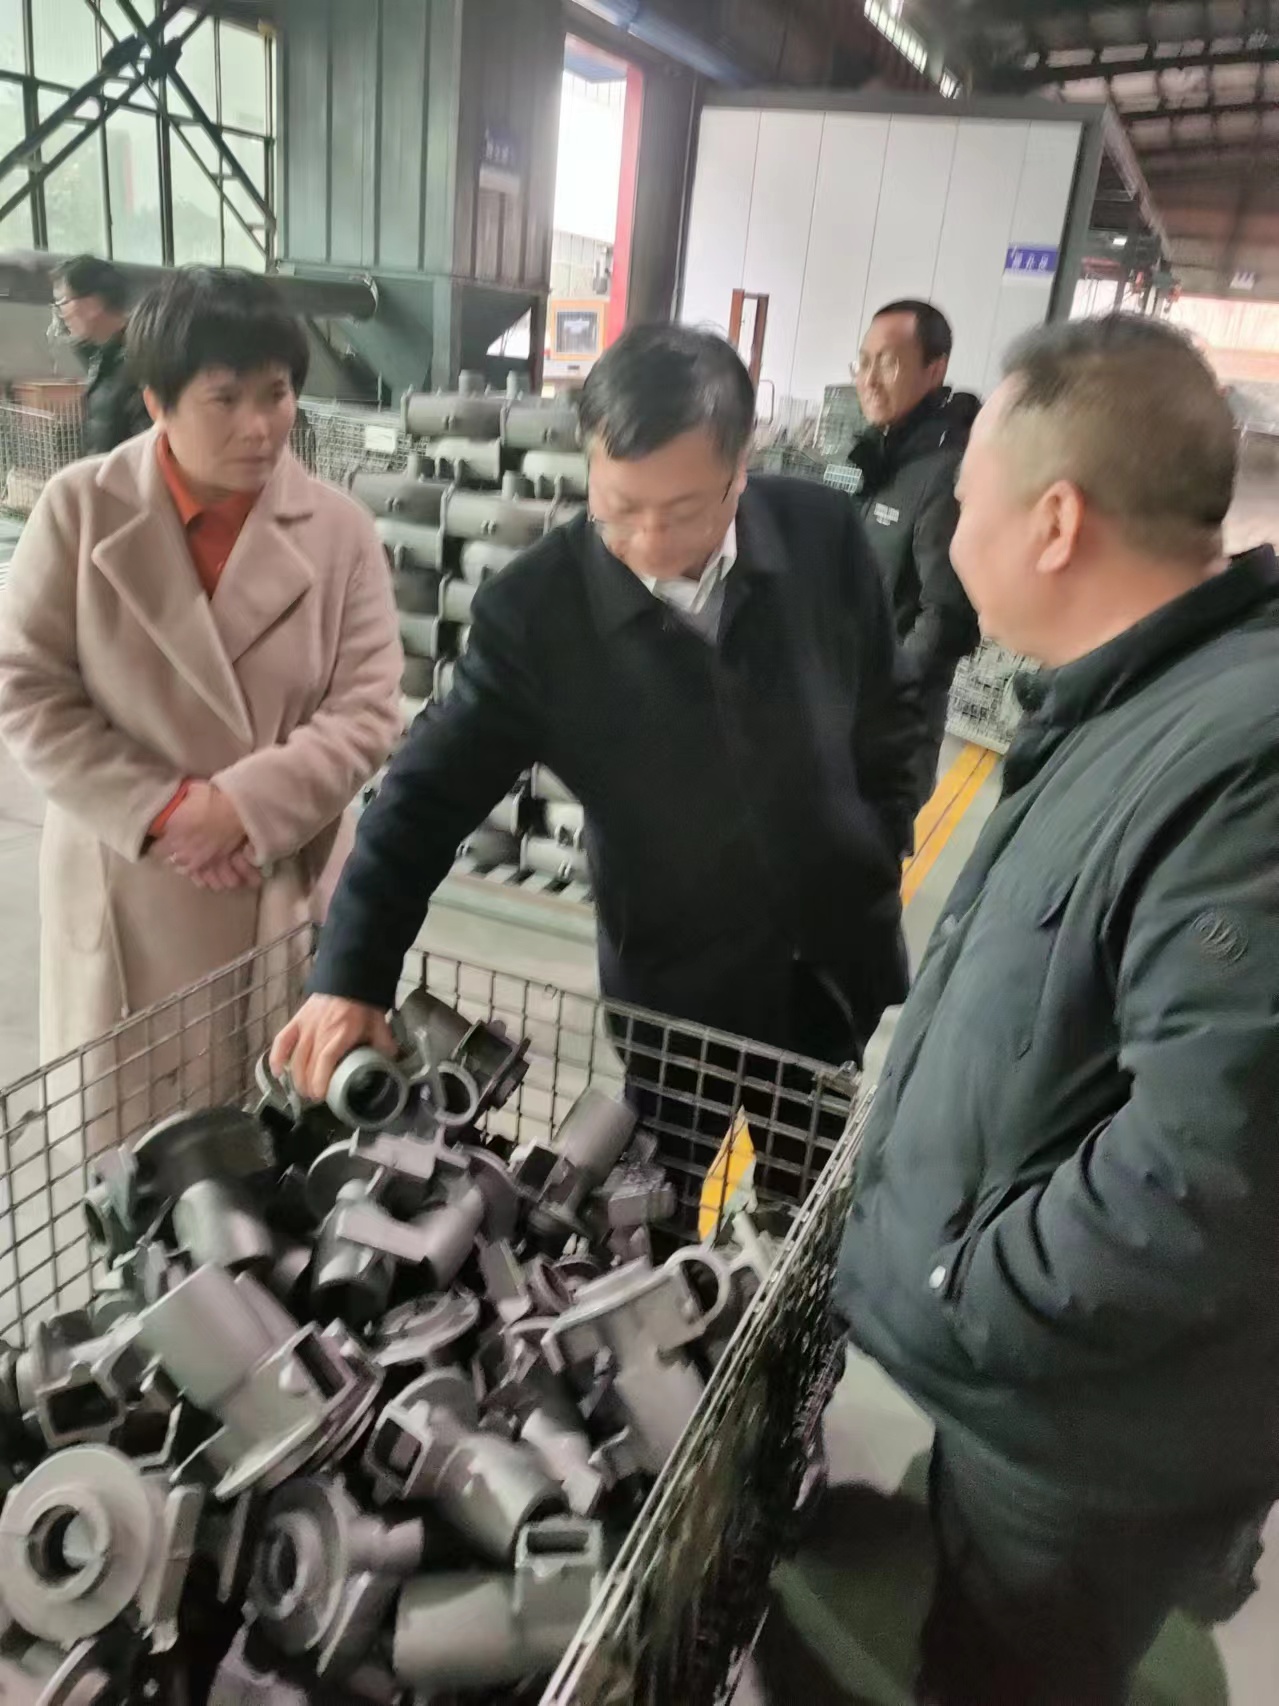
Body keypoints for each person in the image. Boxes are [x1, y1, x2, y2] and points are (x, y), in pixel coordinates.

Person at [834, 314, 1279, 1705]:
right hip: (1042, 1399)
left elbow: (1211, 1168)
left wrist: (963, 1287)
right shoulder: (1140, 697)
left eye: (966, 503)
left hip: (1084, 1441)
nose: (950, 535)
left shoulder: (1243, 759)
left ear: (1054, 521)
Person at [271, 323, 921, 1134]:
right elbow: (421, 799)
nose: (649, 544)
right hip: (676, 994)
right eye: (619, 510)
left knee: (814, 1173)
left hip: (831, 966)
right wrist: (350, 977)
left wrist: (880, 835)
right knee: (656, 1192)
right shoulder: (537, 614)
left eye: (684, 511)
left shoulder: (820, 532)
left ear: (741, 464)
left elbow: (887, 703)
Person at [0, 267, 402, 1139]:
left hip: (278, 876)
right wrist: (168, 809)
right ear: (157, 401)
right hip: (133, 876)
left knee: (280, 1157)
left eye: (276, 394)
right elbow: (26, 688)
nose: (259, 427)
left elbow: (369, 707)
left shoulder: (339, 532)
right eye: (225, 399)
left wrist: (243, 809)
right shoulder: (79, 512)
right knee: (141, 1167)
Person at [851, 299, 979, 803]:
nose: (869, 379)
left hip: (892, 725)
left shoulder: (945, 470)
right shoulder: (884, 454)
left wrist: (888, 686)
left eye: (888, 363)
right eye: (863, 361)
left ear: (935, 369)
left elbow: (946, 613)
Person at [52, 254, 151, 454]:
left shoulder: (140, 361)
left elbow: (146, 449)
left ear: (92, 304)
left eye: (63, 302)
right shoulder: (104, 357)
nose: (62, 314)